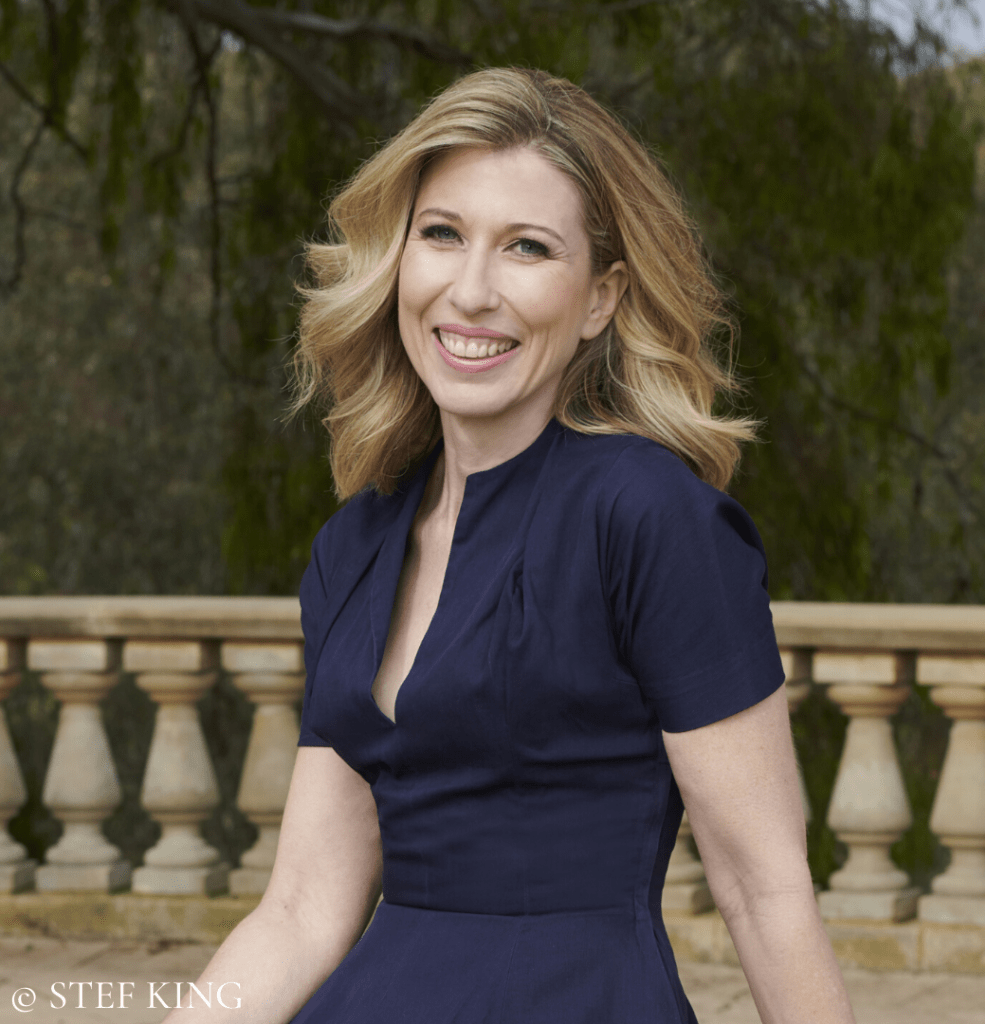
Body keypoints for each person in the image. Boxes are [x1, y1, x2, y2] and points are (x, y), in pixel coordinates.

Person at [165, 67, 856, 1024]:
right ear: (398, 259)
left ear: (602, 298)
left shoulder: (652, 518)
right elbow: (301, 908)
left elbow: (762, 890)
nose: (471, 290)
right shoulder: (354, 546)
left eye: (527, 247)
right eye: (442, 234)